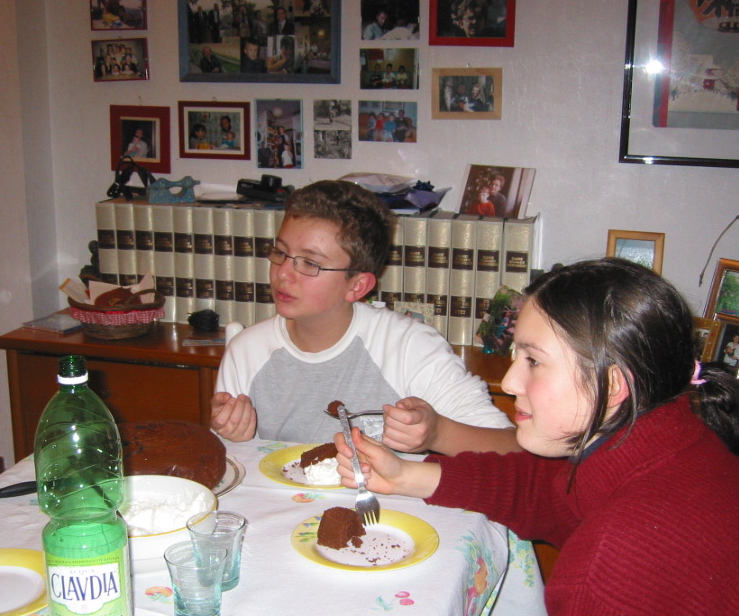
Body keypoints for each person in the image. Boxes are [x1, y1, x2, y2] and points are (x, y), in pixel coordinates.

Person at [334, 257, 739, 616]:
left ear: (613, 384)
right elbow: (546, 491)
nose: (510, 381)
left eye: (533, 361)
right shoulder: (674, 446)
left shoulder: (634, 547)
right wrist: (408, 476)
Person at [210, 180, 518, 454]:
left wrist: (437, 433)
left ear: (357, 286)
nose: (283, 274)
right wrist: (234, 439)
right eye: (280, 253)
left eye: (310, 263)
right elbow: (232, 468)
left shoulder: (409, 347)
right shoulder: (247, 350)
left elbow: (512, 450)